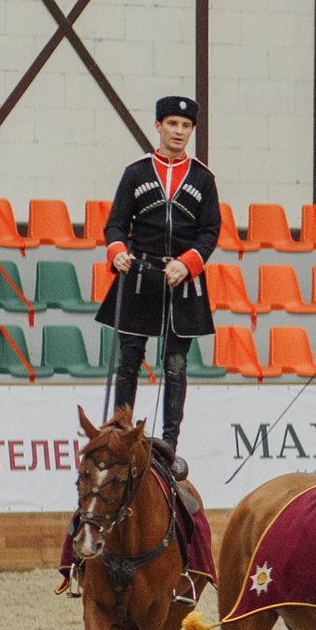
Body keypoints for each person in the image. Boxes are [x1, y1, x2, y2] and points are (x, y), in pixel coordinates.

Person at [98, 94, 219, 456]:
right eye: (172, 124)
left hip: (183, 280)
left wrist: (189, 262)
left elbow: (210, 231)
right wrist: (117, 251)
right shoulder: (135, 172)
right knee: (129, 361)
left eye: (186, 126)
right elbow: (116, 223)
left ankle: (168, 446)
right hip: (138, 275)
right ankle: (120, 436)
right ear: (158, 126)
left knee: (176, 366)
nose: (179, 131)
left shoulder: (203, 177)